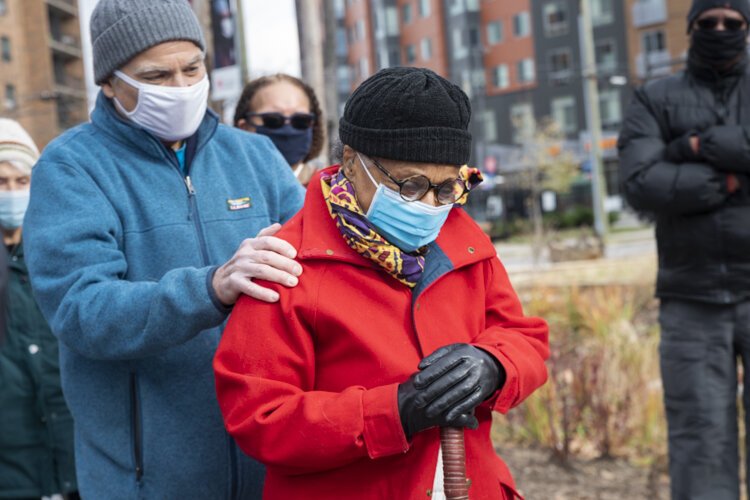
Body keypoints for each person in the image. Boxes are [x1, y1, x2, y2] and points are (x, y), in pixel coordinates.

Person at [214, 67, 550, 499]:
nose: (430, 205)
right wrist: (393, 412)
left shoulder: (462, 240)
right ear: (353, 161)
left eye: (447, 188)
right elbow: (259, 415)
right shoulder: (286, 264)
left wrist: (494, 365)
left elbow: (524, 336)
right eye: (410, 185)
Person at [22, 0, 305, 498]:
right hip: (144, 479)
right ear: (110, 82)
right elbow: (81, 309)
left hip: (270, 468)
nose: (180, 88)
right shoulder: (71, 168)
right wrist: (209, 289)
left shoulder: (255, 156)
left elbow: (321, 273)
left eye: (192, 68)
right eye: (156, 75)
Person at [618, 1, 750, 498]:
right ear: (691, 29)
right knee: (700, 443)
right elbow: (640, 182)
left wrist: (694, 147)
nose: (720, 30)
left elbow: (663, 174)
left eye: (733, 23)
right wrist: (734, 178)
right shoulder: (654, 98)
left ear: (748, 30)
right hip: (691, 298)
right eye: (707, 23)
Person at [0, 119, 78, 500]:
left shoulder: (59, 254)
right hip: (12, 471)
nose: (13, 193)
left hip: (71, 461)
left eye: (22, 181)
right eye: (1, 182)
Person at [234, 74, 324, 186]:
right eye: (273, 120)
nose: (288, 130)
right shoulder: (228, 188)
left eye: (300, 120)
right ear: (244, 127)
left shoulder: (333, 192)